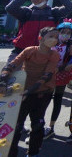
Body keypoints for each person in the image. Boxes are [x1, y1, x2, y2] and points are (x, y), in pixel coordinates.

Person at [1, 27, 60, 157]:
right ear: (41, 38)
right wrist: (4, 77)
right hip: (22, 91)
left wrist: (30, 90)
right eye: (51, 36)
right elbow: (13, 63)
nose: (54, 40)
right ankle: (10, 153)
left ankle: (33, 152)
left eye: (56, 37)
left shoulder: (54, 55)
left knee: (37, 123)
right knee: (15, 125)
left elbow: (47, 76)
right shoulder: (29, 50)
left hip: (42, 93)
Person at [6, 0, 72, 62]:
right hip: (20, 51)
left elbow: (70, 7)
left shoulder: (54, 13)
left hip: (44, 53)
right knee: (7, 74)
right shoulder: (26, 12)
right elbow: (10, 8)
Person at [44, 19, 72, 139]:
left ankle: (51, 126)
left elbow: (71, 61)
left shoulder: (71, 47)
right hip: (48, 75)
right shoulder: (51, 43)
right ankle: (40, 124)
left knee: (57, 99)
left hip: (61, 75)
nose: (66, 34)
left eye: (69, 33)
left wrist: (61, 69)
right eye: (63, 31)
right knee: (45, 99)